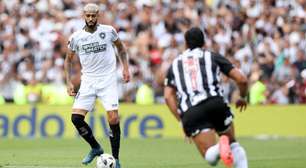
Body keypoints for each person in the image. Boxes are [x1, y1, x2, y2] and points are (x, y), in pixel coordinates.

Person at [164, 27, 248, 168]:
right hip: (215, 103)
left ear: (185, 44)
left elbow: (168, 96)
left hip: (192, 111)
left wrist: (181, 120)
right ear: (204, 43)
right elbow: (242, 79)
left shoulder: (175, 64)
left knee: (210, 157)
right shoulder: (212, 56)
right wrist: (242, 97)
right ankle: (225, 143)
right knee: (234, 145)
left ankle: (218, 148)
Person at [64, 3, 130, 167]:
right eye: (88, 15)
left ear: (98, 16)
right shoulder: (76, 37)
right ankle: (95, 147)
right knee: (76, 118)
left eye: (93, 15)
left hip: (108, 80)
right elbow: (68, 60)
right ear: (84, 16)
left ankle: (116, 159)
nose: (91, 18)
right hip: (88, 81)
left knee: (113, 118)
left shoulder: (108, 31)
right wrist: (68, 81)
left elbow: (121, 49)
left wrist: (125, 68)